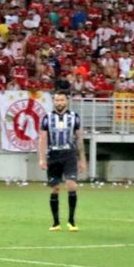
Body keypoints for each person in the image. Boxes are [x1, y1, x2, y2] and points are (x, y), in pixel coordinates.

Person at [38, 91, 86, 232]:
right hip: (53, 154)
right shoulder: (47, 118)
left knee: (72, 185)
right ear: (54, 101)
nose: (59, 102)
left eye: (62, 100)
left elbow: (79, 138)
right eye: (57, 100)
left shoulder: (74, 117)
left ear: (67, 101)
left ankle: (71, 221)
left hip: (69, 154)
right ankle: (56, 222)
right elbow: (43, 138)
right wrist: (41, 158)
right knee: (55, 188)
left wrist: (82, 159)